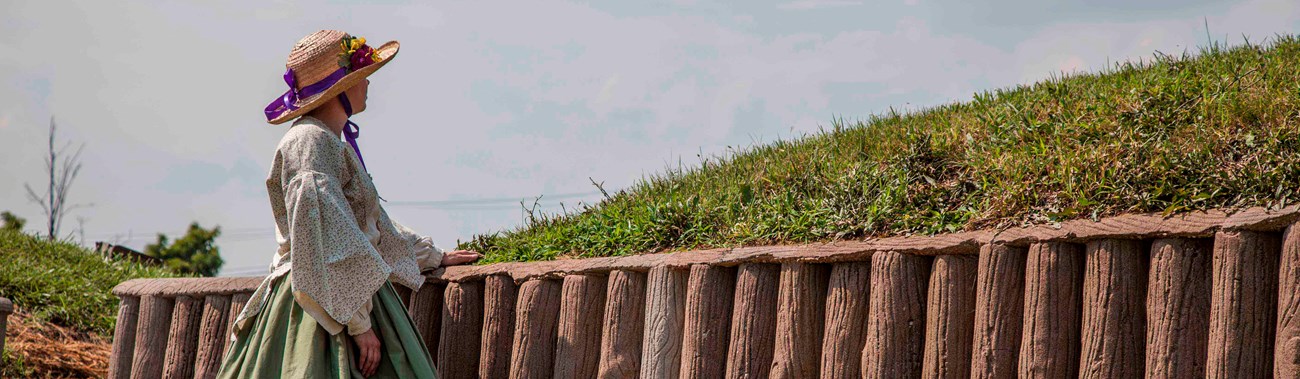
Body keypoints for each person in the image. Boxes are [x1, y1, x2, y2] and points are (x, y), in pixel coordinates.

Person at [217, 30, 481, 378]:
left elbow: (364, 226)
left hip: (348, 294)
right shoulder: (310, 141)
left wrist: (430, 256)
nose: (369, 84)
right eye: (362, 77)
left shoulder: (326, 140)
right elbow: (325, 236)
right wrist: (359, 325)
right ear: (340, 88)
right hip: (323, 305)